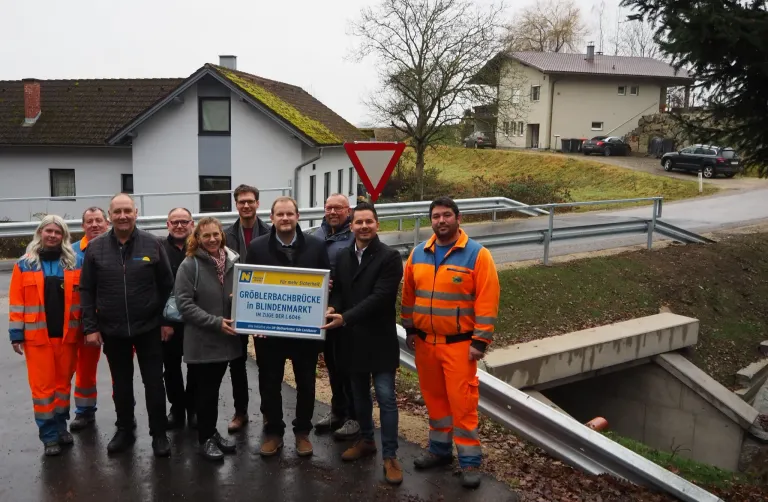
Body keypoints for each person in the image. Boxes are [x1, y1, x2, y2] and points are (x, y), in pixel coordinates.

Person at [401, 196, 500, 489]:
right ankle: (440, 451)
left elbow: (487, 301)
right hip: (425, 343)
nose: (441, 221)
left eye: (446, 215)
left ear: (458, 218)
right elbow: (408, 295)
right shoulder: (419, 253)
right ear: (431, 220)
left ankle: (469, 462)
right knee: (435, 400)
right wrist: (409, 329)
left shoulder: (477, 255)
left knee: (462, 404)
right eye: (436, 216)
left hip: (459, 345)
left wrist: (480, 341)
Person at [79, 193, 175, 457]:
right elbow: (86, 290)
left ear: (136, 213)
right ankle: (124, 429)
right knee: (121, 384)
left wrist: (167, 321)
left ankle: (159, 434)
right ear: (110, 216)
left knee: (154, 383)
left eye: (127, 211)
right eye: (117, 212)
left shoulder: (153, 244)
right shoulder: (95, 248)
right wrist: (91, 327)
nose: (123, 216)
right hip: (113, 330)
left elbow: (168, 286)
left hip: (149, 328)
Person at [322, 202, 404, 484]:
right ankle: (367, 440)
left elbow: (380, 297)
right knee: (359, 396)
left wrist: (344, 317)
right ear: (352, 225)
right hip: (351, 341)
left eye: (369, 221)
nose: (364, 226)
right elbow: (340, 291)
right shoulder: (343, 255)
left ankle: (390, 456)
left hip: (379, 340)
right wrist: (333, 306)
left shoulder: (390, 257)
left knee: (386, 397)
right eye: (359, 222)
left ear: (377, 224)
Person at [246, 196, 331, 458]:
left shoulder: (317, 246)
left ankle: (302, 432)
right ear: (271, 218)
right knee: (269, 383)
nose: (285, 218)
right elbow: (249, 284)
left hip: (305, 332)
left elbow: (327, 283)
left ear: (297, 217)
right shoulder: (257, 247)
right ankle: (274, 432)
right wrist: (250, 316)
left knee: (306, 383)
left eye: (289, 214)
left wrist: (326, 296)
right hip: (269, 333)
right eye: (280, 214)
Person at [8, 215, 83, 456]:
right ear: (40, 232)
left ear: (64, 236)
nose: (52, 235)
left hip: (67, 336)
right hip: (36, 338)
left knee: (62, 386)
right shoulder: (24, 264)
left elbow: (83, 299)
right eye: (48, 230)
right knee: (42, 389)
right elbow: (17, 302)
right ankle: (49, 436)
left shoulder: (74, 263)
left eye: (57, 232)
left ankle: (61, 427)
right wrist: (16, 334)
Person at [174, 217, 241, 461]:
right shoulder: (189, 265)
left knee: (213, 391)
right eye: (206, 236)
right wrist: (215, 322)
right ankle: (205, 439)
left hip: (226, 340)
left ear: (222, 235)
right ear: (197, 239)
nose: (212, 239)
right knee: (205, 393)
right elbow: (184, 304)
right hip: (202, 340)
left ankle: (211, 432)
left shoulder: (233, 261)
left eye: (216, 234)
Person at [308, 193, 359, 440]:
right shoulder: (316, 235)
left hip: (346, 311)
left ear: (348, 211)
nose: (333, 212)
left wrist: (336, 283)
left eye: (338, 208)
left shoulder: (356, 236)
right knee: (332, 364)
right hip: (320, 311)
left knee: (348, 366)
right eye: (329, 208)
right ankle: (338, 411)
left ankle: (354, 417)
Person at [222, 184, 269, 432]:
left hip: (263, 307)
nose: (246, 205)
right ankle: (240, 412)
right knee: (237, 362)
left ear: (258, 203)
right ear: (236, 204)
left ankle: (268, 412)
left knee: (266, 362)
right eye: (242, 202)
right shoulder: (225, 235)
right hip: (234, 307)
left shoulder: (270, 232)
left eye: (250, 201)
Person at [70, 207, 109, 431]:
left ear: (107, 223)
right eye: (90, 221)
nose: (94, 225)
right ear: (83, 225)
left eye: (98, 220)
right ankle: (84, 412)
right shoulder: (71, 254)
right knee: (84, 369)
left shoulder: (117, 246)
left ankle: (125, 412)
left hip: (114, 319)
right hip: (85, 322)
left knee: (120, 371)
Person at [160, 208, 196, 429]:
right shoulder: (158, 249)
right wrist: (163, 322)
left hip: (196, 320)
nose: (180, 225)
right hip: (169, 323)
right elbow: (154, 286)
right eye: (175, 222)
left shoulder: (200, 248)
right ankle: (177, 408)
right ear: (168, 224)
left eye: (184, 221)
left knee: (196, 368)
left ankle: (193, 408)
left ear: (192, 223)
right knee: (171, 368)